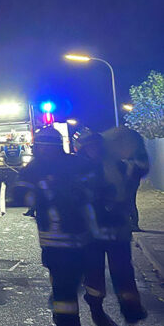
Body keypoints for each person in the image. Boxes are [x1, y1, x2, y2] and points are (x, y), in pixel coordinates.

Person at [13, 127, 99, 326]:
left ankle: (66, 317)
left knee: (63, 285)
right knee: (66, 283)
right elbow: (98, 186)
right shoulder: (76, 163)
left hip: (58, 238)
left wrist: (39, 197)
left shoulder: (36, 168)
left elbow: (19, 192)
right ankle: (67, 314)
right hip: (76, 237)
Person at [78, 129, 148, 325]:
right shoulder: (79, 168)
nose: (93, 150)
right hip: (90, 232)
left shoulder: (118, 165)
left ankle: (131, 311)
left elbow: (135, 177)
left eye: (96, 146)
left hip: (117, 230)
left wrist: (138, 160)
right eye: (89, 147)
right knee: (93, 276)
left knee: (124, 273)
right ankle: (96, 308)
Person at [103, 127, 149, 232]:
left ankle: (132, 224)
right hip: (129, 179)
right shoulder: (135, 149)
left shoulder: (133, 154)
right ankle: (131, 224)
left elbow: (142, 166)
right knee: (129, 202)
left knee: (129, 201)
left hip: (130, 180)